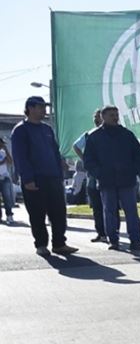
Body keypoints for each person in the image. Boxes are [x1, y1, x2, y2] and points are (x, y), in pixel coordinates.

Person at [9, 96, 77, 255]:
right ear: (30, 108)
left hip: (53, 177)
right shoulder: (20, 130)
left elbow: (54, 150)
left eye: (44, 107)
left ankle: (59, 244)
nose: (44, 110)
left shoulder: (46, 129)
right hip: (35, 180)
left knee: (59, 212)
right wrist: (27, 179)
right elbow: (20, 157)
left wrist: (61, 163)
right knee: (37, 214)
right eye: (40, 107)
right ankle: (41, 245)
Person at [83, 105, 140, 251]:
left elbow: (139, 155)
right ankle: (113, 240)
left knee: (131, 211)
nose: (115, 117)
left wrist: (134, 170)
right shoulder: (94, 137)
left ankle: (135, 240)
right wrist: (99, 173)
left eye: (116, 114)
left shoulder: (127, 135)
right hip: (107, 181)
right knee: (109, 211)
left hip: (127, 180)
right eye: (111, 115)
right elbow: (88, 160)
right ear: (103, 117)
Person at [73, 108, 115, 242]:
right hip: (93, 174)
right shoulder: (89, 135)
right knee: (96, 204)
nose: (97, 120)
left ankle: (113, 232)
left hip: (109, 173)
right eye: (96, 118)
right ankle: (101, 233)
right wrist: (86, 160)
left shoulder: (113, 133)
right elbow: (76, 146)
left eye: (99, 117)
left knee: (110, 204)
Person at [0, 137, 15, 225]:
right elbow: (3, 162)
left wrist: (5, 149)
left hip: (4, 177)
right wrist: (2, 162)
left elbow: (10, 161)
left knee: (7, 198)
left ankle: (9, 215)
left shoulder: (3, 152)